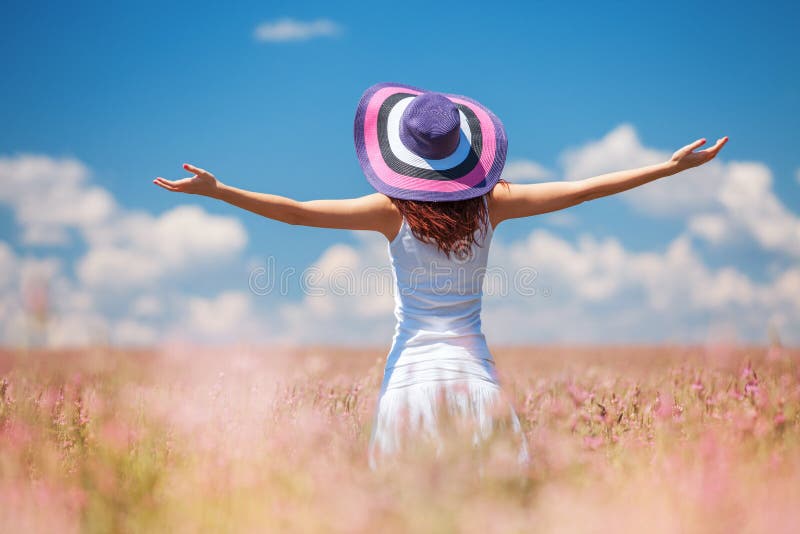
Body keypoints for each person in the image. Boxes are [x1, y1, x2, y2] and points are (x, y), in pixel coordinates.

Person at [153, 81, 728, 472]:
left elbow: (299, 212)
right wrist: (667, 168)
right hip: (476, 379)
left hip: (408, 383)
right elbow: (585, 188)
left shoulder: (389, 211)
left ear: (403, 153)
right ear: (462, 152)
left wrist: (220, 191)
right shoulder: (492, 206)